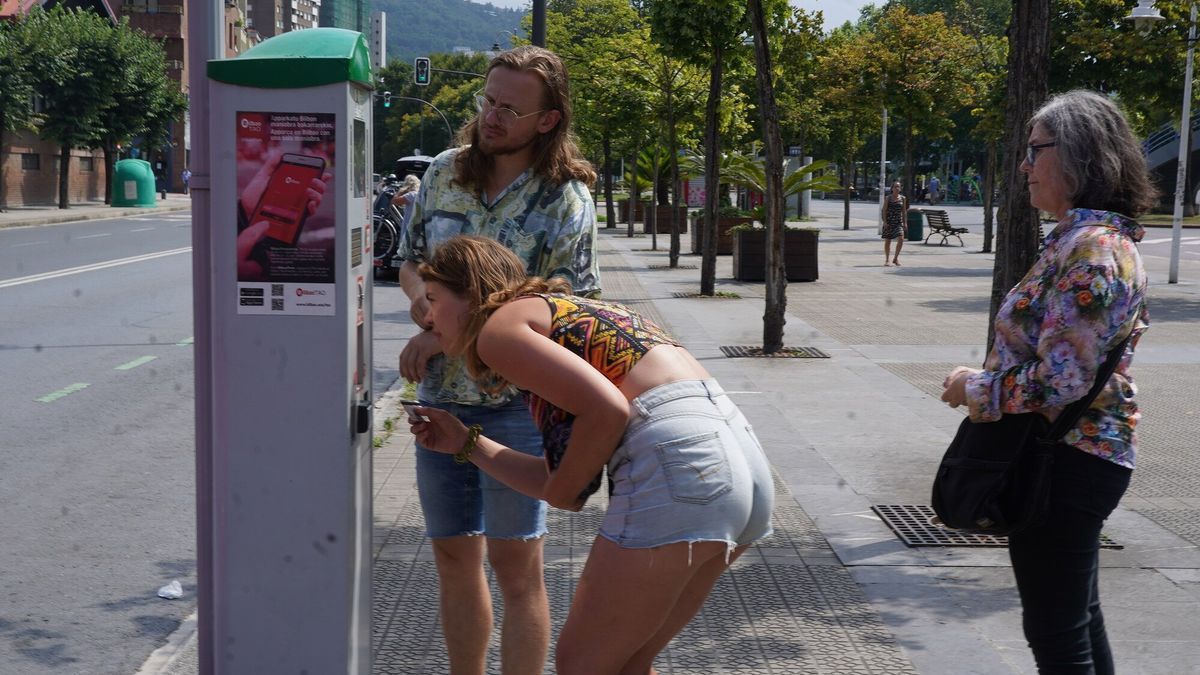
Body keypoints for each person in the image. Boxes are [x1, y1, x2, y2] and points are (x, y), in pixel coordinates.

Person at [408, 235, 774, 675]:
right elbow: (560, 475)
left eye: (432, 298)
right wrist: (468, 443)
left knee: (582, 664)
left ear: (471, 291)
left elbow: (606, 413)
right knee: (628, 664)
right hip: (738, 462)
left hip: (682, 463)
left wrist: (560, 494)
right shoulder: (562, 314)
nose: (426, 318)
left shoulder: (498, 330)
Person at [394, 45, 601, 675]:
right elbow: (408, 261)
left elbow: (569, 304)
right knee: (453, 559)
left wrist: (454, 333)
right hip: (439, 397)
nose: (492, 116)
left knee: (518, 568)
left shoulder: (565, 200)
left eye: (511, 108)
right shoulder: (443, 174)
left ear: (547, 120)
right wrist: (430, 314)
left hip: (517, 406)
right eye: (488, 100)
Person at [940, 90, 1153, 675]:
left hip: (1066, 457)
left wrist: (974, 386)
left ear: (1081, 156)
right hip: (1072, 453)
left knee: (1059, 639)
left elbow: (1062, 381)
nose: (1025, 165)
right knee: (1076, 625)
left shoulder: (1094, 251)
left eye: (1035, 150)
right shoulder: (1084, 240)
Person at [880, 180, 906, 266]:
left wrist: (905, 223)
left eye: (899, 187)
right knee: (888, 241)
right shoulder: (888, 198)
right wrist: (885, 222)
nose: (897, 188)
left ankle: (895, 258)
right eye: (895, 187)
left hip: (898, 221)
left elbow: (904, 211)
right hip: (889, 221)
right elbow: (884, 210)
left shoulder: (902, 198)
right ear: (892, 188)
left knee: (901, 239)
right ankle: (887, 260)